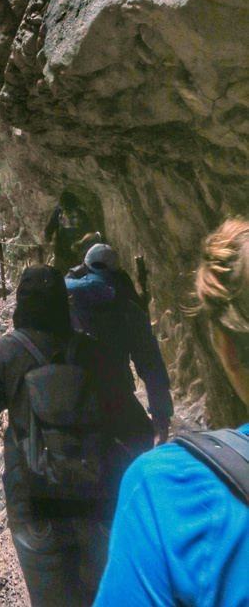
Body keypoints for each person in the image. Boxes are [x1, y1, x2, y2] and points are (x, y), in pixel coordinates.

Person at [0, 266, 148, 607]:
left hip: (33, 507)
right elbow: (139, 428)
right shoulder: (95, 353)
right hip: (95, 502)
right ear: (62, 304)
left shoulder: (6, 354)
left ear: (20, 306)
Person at [94, 218, 249, 606]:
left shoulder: (164, 490)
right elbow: (149, 361)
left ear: (226, 348)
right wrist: (161, 415)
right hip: (123, 410)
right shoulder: (124, 302)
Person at [66, 243, 173, 446]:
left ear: (85, 267)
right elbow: (151, 366)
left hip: (72, 394)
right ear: (116, 273)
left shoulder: (67, 300)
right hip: (117, 390)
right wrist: (161, 419)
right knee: (140, 438)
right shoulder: (128, 310)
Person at [45, 192, 95, 273]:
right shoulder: (59, 213)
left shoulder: (57, 213)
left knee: (62, 276)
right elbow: (91, 232)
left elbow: (48, 232)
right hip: (70, 253)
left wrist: (81, 242)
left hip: (70, 253)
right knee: (75, 275)